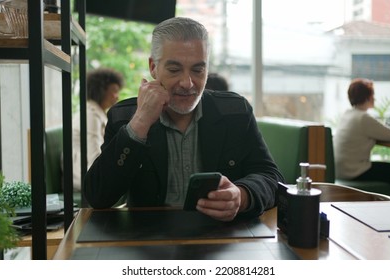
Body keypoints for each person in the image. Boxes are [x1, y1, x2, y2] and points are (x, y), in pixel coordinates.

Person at [84, 17, 284, 221]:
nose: (187, 83)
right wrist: (140, 122)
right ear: (153, 67)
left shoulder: (236, 112)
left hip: (222, 237)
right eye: (174, 70)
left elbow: (271, 178)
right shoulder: (124, 117)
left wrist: (241, 196)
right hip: (148, 240)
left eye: (198, 70)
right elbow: (98, 197)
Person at [333, 78, 390, 198]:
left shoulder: (347, 114)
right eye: (373, 95)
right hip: (355, 171)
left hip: (340, 171)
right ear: (367, 97)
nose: (375, 98)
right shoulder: (363, 118)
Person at [72, 68, 124, 191]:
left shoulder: (97, 113)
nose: (117, 97)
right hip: (84, 176)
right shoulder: (90, 116)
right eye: (114, 91)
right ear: (100, 90)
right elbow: (94, 157)